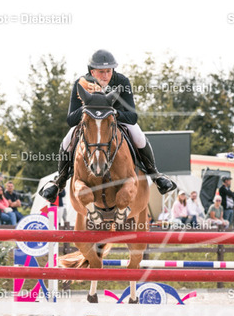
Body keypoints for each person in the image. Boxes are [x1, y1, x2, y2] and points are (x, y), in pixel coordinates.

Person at [39, 49, 176, 203]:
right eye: (101, 72)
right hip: (90, 123)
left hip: (116, 120)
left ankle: (155, 175)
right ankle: (60, 181)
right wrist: (87, 110)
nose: (105, 76)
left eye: (108, 71)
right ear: (92, 71)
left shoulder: (122, 82)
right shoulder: (81, 84)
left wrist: (114, 113)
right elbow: (71, 119)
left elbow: (132, 116)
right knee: (67, 140)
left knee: (138, 136)